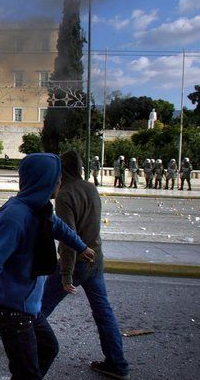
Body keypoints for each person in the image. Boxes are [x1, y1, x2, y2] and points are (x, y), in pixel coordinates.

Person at [0, 153, 96, 380]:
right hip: (10, 308)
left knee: (48, 348)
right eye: (57, 178)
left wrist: (80, 246)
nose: (60, 183)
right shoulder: (15, 217)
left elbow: (59, 227)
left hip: (28, 305)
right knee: (28, 373)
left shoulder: (40, 209)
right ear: (44, 182)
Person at [40, 151, 130, 380]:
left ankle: (25, 344)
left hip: (78, 262)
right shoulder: (90, 188)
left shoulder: (65, 195)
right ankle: (117, 364)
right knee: (103, 312)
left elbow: (69, 238)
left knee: (39, 308)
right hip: (95, 259)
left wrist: (66, 274)